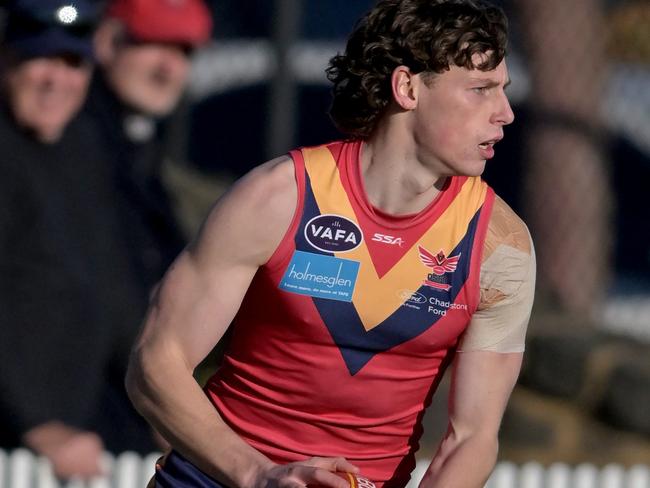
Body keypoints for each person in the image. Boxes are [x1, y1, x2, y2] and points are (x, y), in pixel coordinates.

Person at [125, 0, 536, 487]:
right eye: (480, 90)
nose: (505, 113)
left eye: (503, 91)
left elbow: (472, 439)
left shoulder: (499, 246)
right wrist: (257, 474)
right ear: (407, 88)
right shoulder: (281, 197)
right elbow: (154, 363)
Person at [0, 0, 157, 479]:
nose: (55, 79)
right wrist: (33, 423)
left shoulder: (84, 148)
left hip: (71, 441)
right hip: (20, 442)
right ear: (5, 61)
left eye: (72, 63)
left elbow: (112, 287)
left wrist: (162, 403)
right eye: (39, 59)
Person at [84, 0, 213, 298]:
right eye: (155, 43)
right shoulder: (73, 140)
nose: (169, 68)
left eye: (184, 51)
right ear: (106, 42)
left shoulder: (140, 148)